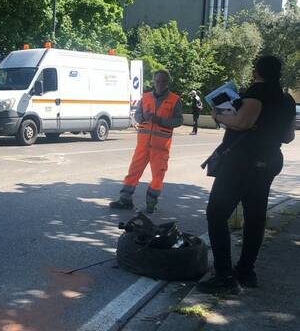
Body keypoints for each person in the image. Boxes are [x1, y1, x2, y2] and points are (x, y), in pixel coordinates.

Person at [197, 56, 296, 295]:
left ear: (257, 71)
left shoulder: (257, 92)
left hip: (242, 162)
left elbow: (242, 122)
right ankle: (246, 271)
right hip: (270, 160)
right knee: (255, 216)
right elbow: (289, 137)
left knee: (216, 214)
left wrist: (218, 116)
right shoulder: (287, 99)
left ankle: (224, 276)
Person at [109, 70, 184, 213]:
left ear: (168, 82)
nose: (160, 84)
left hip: (161, 147)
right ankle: (125, 200)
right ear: (153, 81)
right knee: (133, 172)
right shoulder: (146, 97)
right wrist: (143, 117)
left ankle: (151, 204)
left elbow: (179, 120)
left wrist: (160, 120)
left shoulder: (175, 99)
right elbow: (137, 116)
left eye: (163, 81)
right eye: (158, 81)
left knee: (157, 176)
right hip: (143, 145)